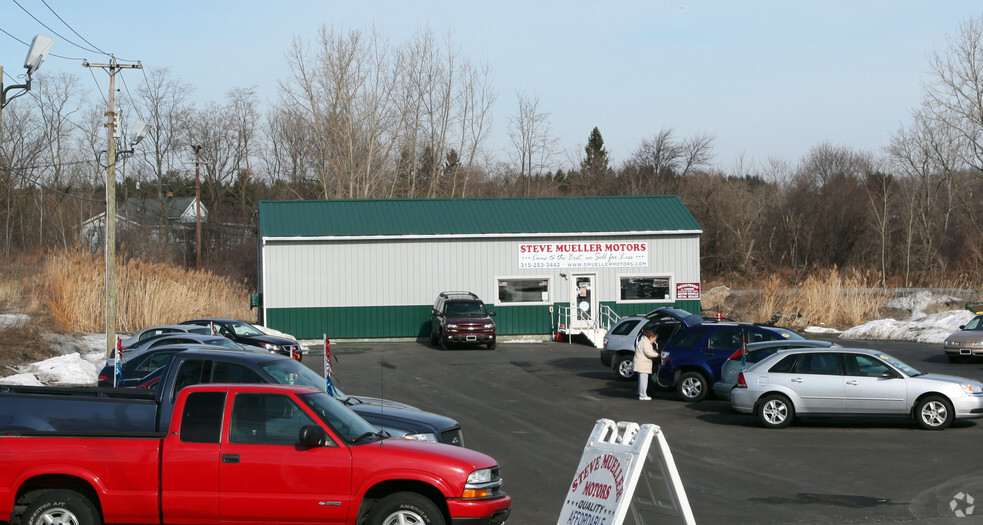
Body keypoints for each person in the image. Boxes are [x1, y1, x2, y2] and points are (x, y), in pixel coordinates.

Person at [633, 327, 659, 400]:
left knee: (642, 379)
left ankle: (640, 392)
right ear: (651, 337)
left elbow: (650, 351)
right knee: (643, 380)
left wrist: (656, 353)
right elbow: (649, 353)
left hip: (641, 364)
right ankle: (643, 395)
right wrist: (658, 355)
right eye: (654, 338)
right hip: (643, 364)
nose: (655, 340)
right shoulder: (646, 342)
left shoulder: (645, 341)